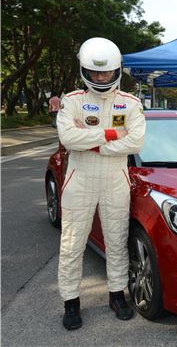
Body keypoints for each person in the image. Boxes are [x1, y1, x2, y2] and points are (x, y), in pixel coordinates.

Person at [56, 37, 146, 330]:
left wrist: (93, 141)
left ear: (116, 70)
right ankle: (71, 302)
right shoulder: (73, 101)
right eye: (95, 73)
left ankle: (116, 295)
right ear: (85, 71)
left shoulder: (130, 103)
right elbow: (68, 138)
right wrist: (111, 135)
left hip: (115, 179)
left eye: (106, 72)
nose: (101, 77)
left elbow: (136, 142)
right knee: (72, 244)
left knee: (117, 241)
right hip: (79, 178)